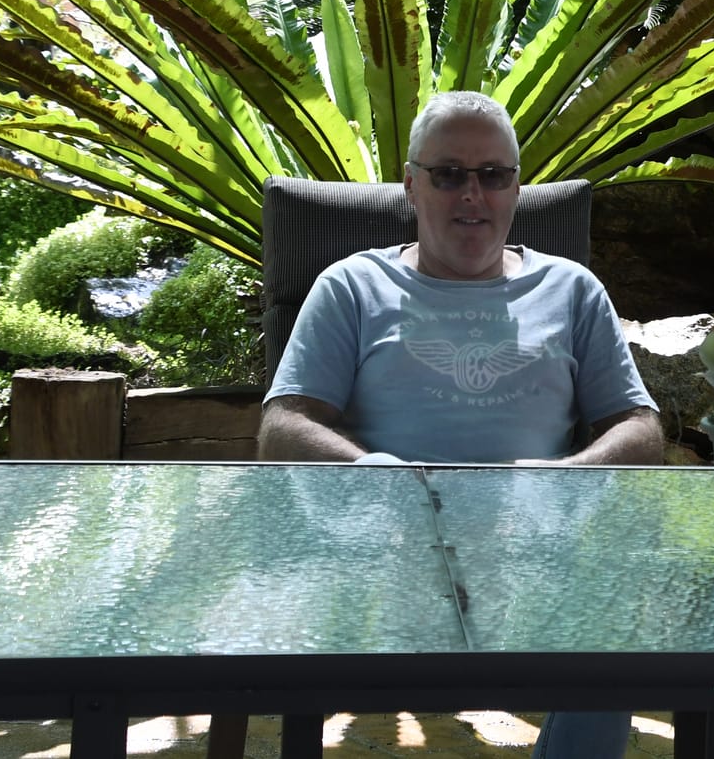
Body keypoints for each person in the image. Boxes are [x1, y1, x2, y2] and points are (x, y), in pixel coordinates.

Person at [260, 89, 662, 759]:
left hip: (536, 555)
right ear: (411, 187)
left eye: (492, 174)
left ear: (516, 187)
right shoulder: (352, 286)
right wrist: (374, 476)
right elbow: (281, 427)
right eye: (448, 174)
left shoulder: (572, 289)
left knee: (610, 637)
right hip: (380, 554)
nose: (471, 193)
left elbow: (641, 429)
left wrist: (563, 479)